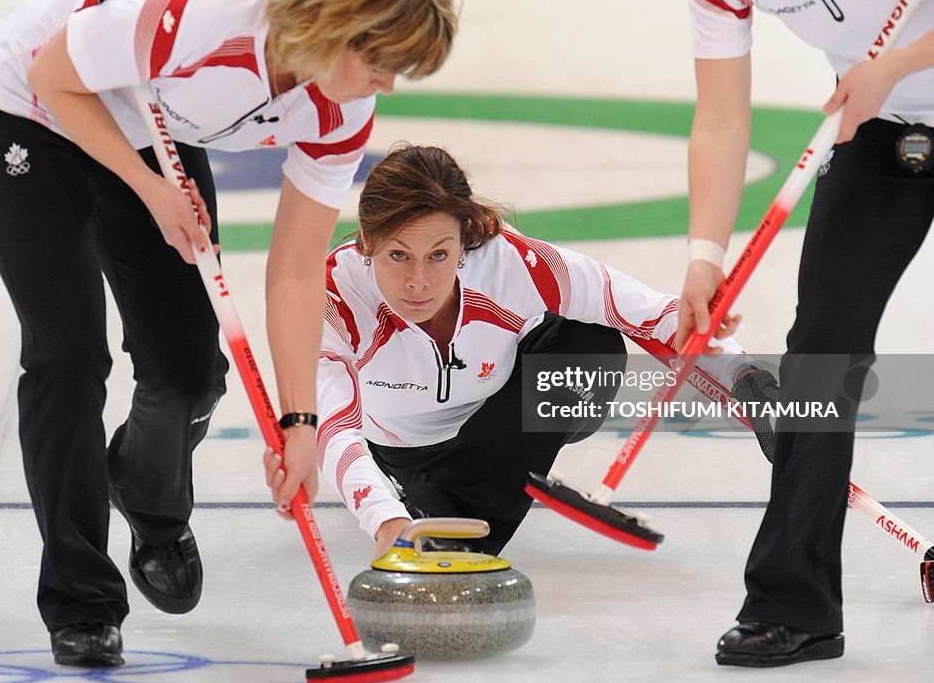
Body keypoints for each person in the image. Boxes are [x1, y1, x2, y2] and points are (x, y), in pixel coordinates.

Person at [0, 0, 457, 667]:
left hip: (150, 116)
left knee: (190, 370)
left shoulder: (340, 105)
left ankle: (149, 495)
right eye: (381, 61)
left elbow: (295, 264)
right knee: (68, 357)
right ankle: (82, 598)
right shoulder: (201, 19)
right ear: (336, 22)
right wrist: (148, 188)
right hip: (28, 108)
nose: (385, 85)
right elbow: (53, 78)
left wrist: (300, 421)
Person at [641, 0, 934, 668]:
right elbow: (721, 121)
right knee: (817, 361)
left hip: (886, 95)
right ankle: (794, 604)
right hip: (886, 142)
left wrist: (890, 64)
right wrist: (702, 256)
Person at [262, 144, 771, 560]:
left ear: (464, 242)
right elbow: (331, 426)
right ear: (367, 242)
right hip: (405, 457)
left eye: (440, 255)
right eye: (399, 255)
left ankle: (456, 522)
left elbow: (649, 314)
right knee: (423, 487)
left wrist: (744, 375)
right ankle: (438, 516)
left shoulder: (509, 262)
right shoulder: (335, 295)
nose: (419, 282)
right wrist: (383, 517)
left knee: (589, 343)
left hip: (499, 420)